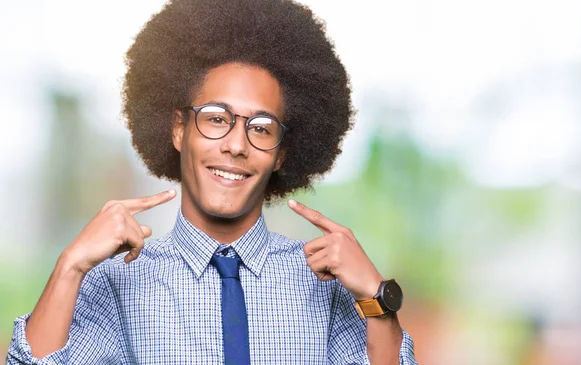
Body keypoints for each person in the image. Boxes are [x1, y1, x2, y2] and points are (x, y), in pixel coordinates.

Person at [7, 0, 417, 363]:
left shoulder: (327, 285)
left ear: (282, 153)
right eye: (217, 118)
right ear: (179, 130)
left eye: (261, 127)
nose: (237, 145)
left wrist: (377, 297)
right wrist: (70, 266)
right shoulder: (118, 281)